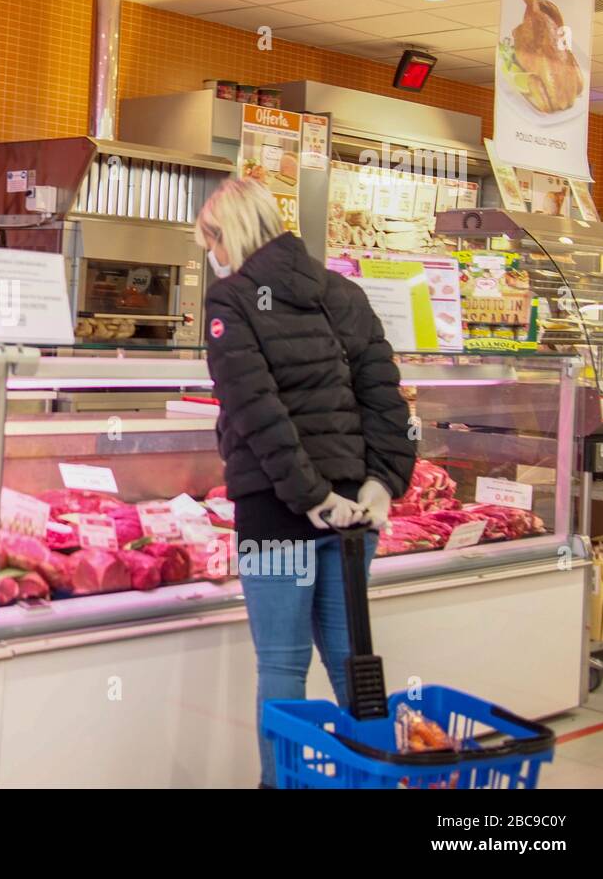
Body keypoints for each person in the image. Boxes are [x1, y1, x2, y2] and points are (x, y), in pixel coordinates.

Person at [195, 179, 415, 789]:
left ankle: (282, 785)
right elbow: (384, 396)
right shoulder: (342, 292)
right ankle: (373, 780)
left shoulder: (231, 299)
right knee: (353, 666)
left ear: (220, 236)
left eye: (207, 242)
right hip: (354, 511)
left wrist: (308, 496)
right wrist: (382, 483)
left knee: (283, 668)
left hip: (278, 511)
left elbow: (255, 410)